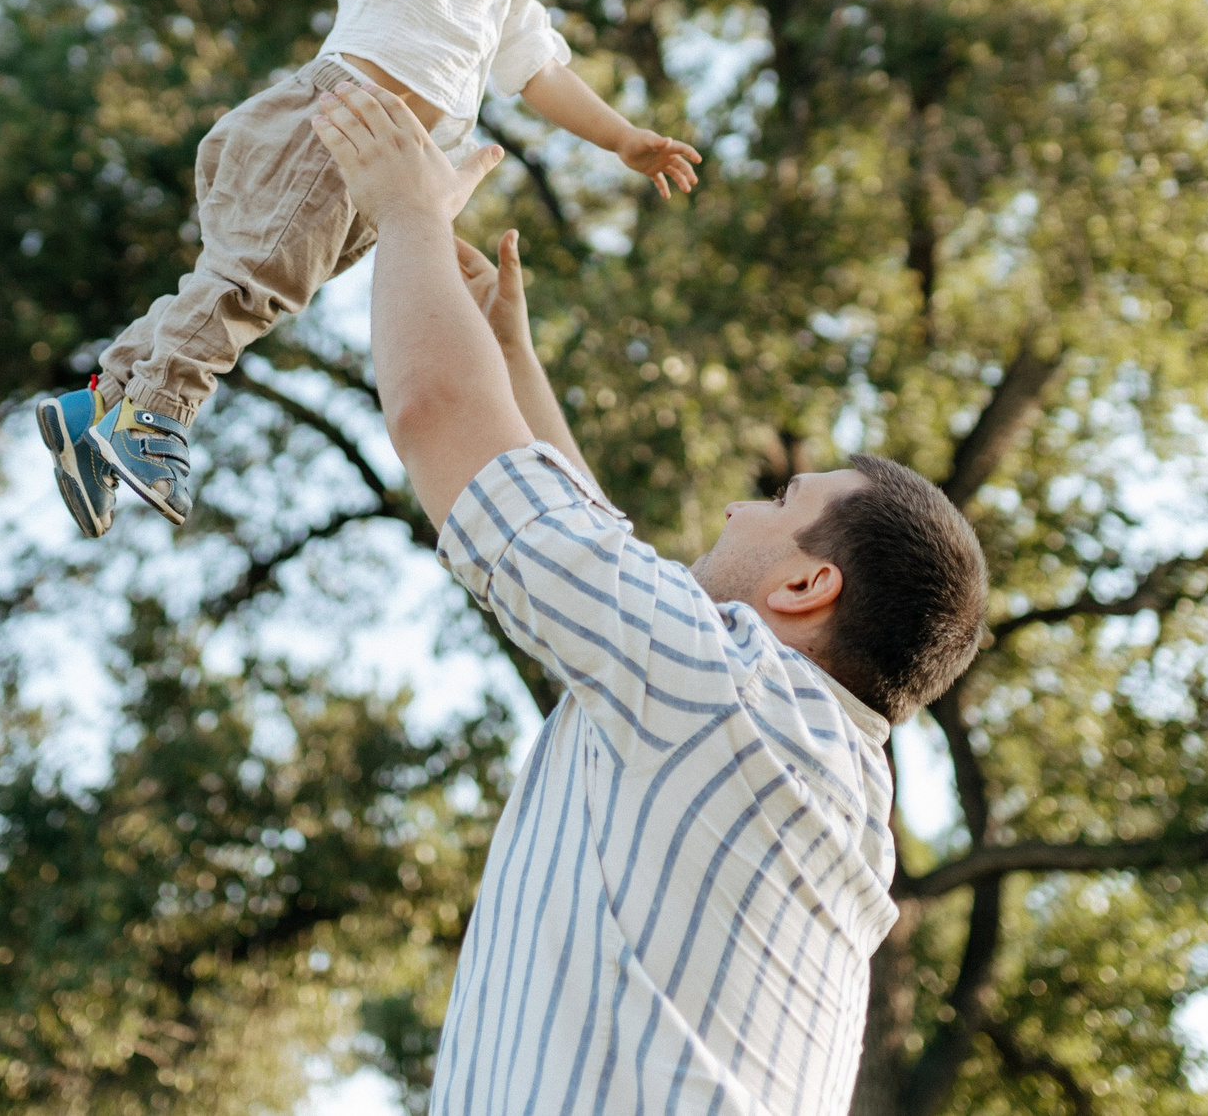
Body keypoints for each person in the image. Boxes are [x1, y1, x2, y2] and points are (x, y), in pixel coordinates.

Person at [306, 79, 990, 1114]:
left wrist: (403, 207)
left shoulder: (726, 700)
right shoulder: (808, 768)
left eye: (776, 499)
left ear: (808, 584)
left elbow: (434, 411)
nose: (731, 507)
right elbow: (602, 563)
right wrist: (512, 366)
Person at [38, 0, 703, 533]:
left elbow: (535, 65)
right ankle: (156, 412)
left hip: (380, 168)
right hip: (339, 118)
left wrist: (622, 137)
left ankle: (98, 404)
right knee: (254, 278)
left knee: (257, 283)